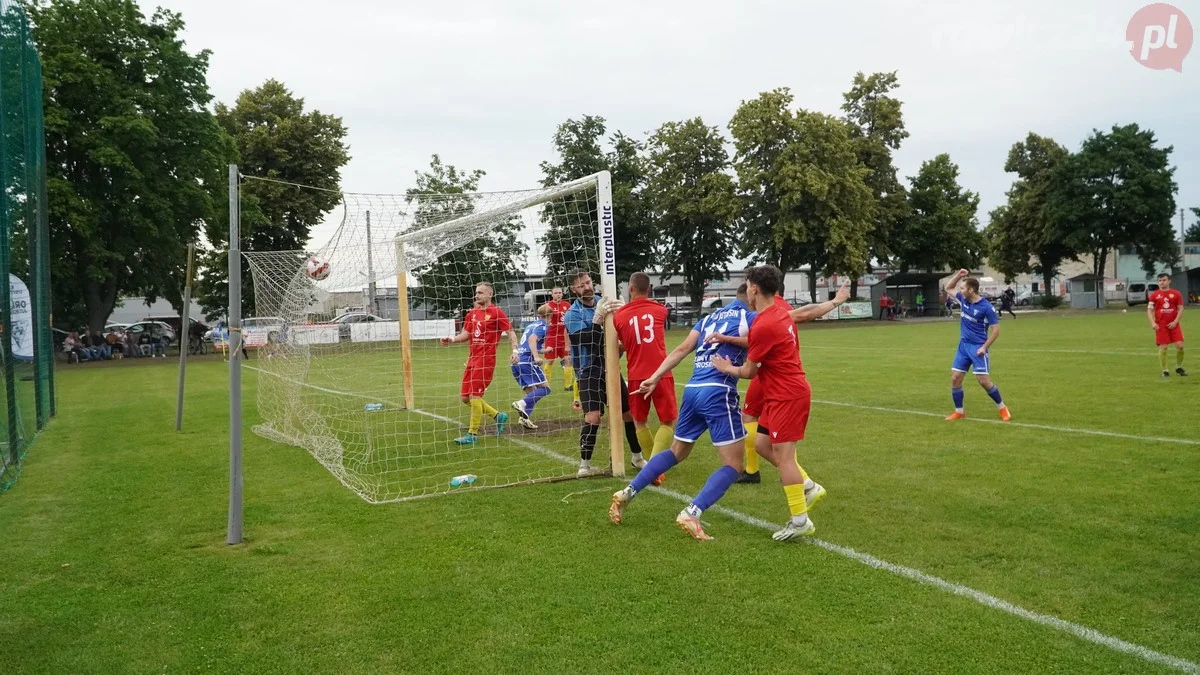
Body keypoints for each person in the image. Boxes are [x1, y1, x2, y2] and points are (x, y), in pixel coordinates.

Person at [608, 287, 757, 539]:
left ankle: (628, 493)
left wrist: (655, 377)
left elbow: (680, 350)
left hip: (693, 389)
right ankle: (692, 512)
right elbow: (762, 340)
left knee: (677, 452)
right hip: (718, 390)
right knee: (734, 464)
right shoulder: (750, 317)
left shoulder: (708, 319)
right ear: (750, 297)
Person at [712, 266, 847, 541]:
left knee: (785, 458)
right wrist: (835, 301)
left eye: (747, 285)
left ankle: (800, 521)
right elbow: (807, 312)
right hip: (780, 394)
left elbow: (750, 371)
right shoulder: (778, 313)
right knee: (761, 444)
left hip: (788, 395)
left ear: (753, 289)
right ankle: (807, 486)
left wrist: (727, 368)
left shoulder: (764, 323)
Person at [563, 269, 645, 476]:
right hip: (588, 370)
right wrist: (598, 318)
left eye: (588, 282)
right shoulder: (572, 314)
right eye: (581, 285)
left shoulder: (605, 301)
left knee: (628, 414)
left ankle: (637, 458)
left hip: (611, 367)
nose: (587, 287)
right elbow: (587, 341)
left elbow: (624, 331)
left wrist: (625, 310)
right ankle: (584, 464)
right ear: (574, 290)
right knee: (593, 417)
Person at [613, 272, 676, 471]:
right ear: (648, 289)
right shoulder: (660, 310)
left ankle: (651, 464)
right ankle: (655, 465)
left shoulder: (619, 315)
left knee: (639, 421)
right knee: (668, 421)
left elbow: (622, 342)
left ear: (630, 289)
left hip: (636, 374)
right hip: (660, 372)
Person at [439, 282, 514, 444]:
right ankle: (497, 415)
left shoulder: (497, 313)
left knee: (475, 397)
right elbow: (466, 334)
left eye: (480, 292)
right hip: (472, 359)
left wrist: (515, 351)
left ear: (489, 295)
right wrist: (451, 339)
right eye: (476, 292)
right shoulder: (472, 313)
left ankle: (472, 435)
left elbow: (511, 332)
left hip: (486, 361)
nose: (477, 295)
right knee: (465, 398)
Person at [943, 269, 1011, 422]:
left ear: (970, 290)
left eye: (962, 287)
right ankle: (959, 412)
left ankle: (1002, 408)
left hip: (978, 347)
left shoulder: (986, 307)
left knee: (983, 381)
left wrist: (984, 347)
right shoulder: (963, 300)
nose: (960, 290)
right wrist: (958, 276)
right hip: (963, 346)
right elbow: (948, 288)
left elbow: (996, 331)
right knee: (955, 378)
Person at [510, 306, 552, 429]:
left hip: (516, 363)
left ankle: (524, 418)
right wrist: (537, 357)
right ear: (550, 316)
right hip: (527, 362)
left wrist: (544, 351)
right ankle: (520, 403)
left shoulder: (531, 326)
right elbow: (532, 339)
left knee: (533, 394)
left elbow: (528, 343)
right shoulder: (543, 326)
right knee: (545, 389)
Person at [539, 287, 579, 409]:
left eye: (560, 293)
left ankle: (568, 385)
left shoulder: (567, 305)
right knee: (550, 361)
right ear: (552, 294)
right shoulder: (548, 306)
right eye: (555, 293)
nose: (558, 295)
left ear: (562, 294)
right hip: (551, 337)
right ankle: (546, 385)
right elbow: (541, 318)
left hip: (564, 337)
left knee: (568, 359)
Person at [1148, 272, 1186, 378]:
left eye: (1164, 280)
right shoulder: (1154, 295)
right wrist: (1153, 322)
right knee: (1163, 347)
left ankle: (1179, 367)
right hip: (1161, 325)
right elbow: (1150, 310)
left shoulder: (1176, 293)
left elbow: (1181, 308)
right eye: (1160, 280)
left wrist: (1175, 322)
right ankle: (1165, 370)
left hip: (1174, 324)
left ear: (1169, 281)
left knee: (1180, 346)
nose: (1162, 282)